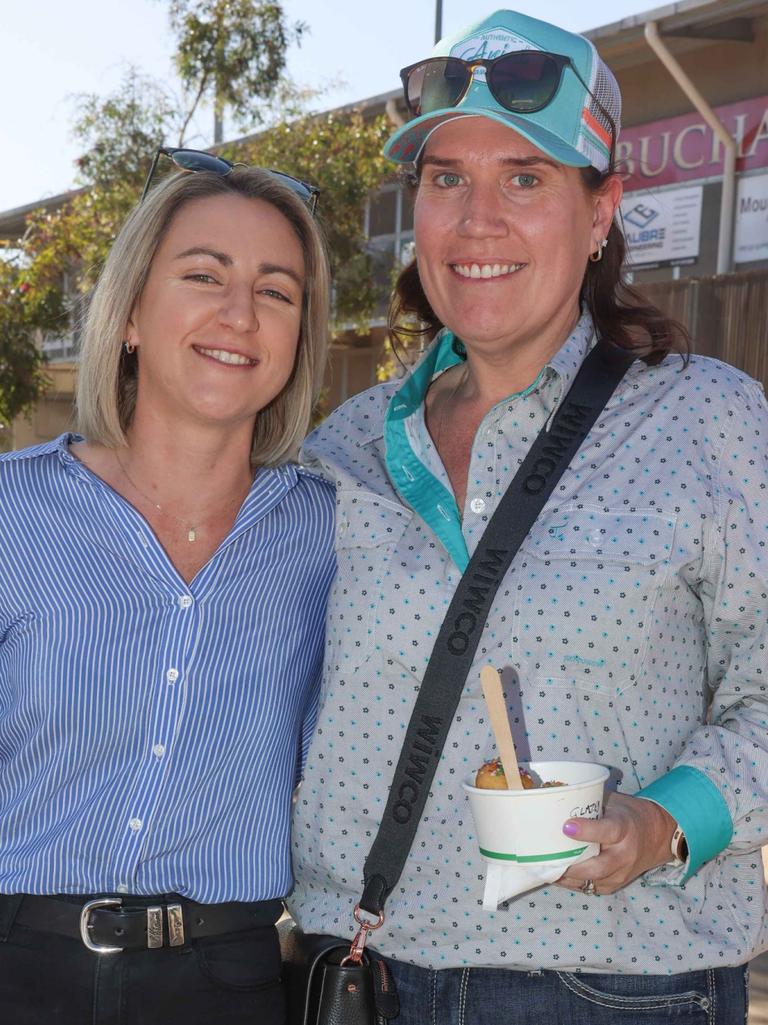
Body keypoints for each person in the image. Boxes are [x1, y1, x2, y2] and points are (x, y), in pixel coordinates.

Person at [288, 10, 768, 1024]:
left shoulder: (705, 418)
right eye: (446, 178)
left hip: (616, 985)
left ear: (602, 212)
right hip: (358, 975)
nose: (477, 220)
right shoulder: (345, 443)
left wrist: (663, 822)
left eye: (526, 178)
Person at [0, 155, 335, 1025]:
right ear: (133, 314)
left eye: (276, 291)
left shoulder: (334, 533)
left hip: (230, 981)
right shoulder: (13, 512)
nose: (238, 314)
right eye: (203, 276)